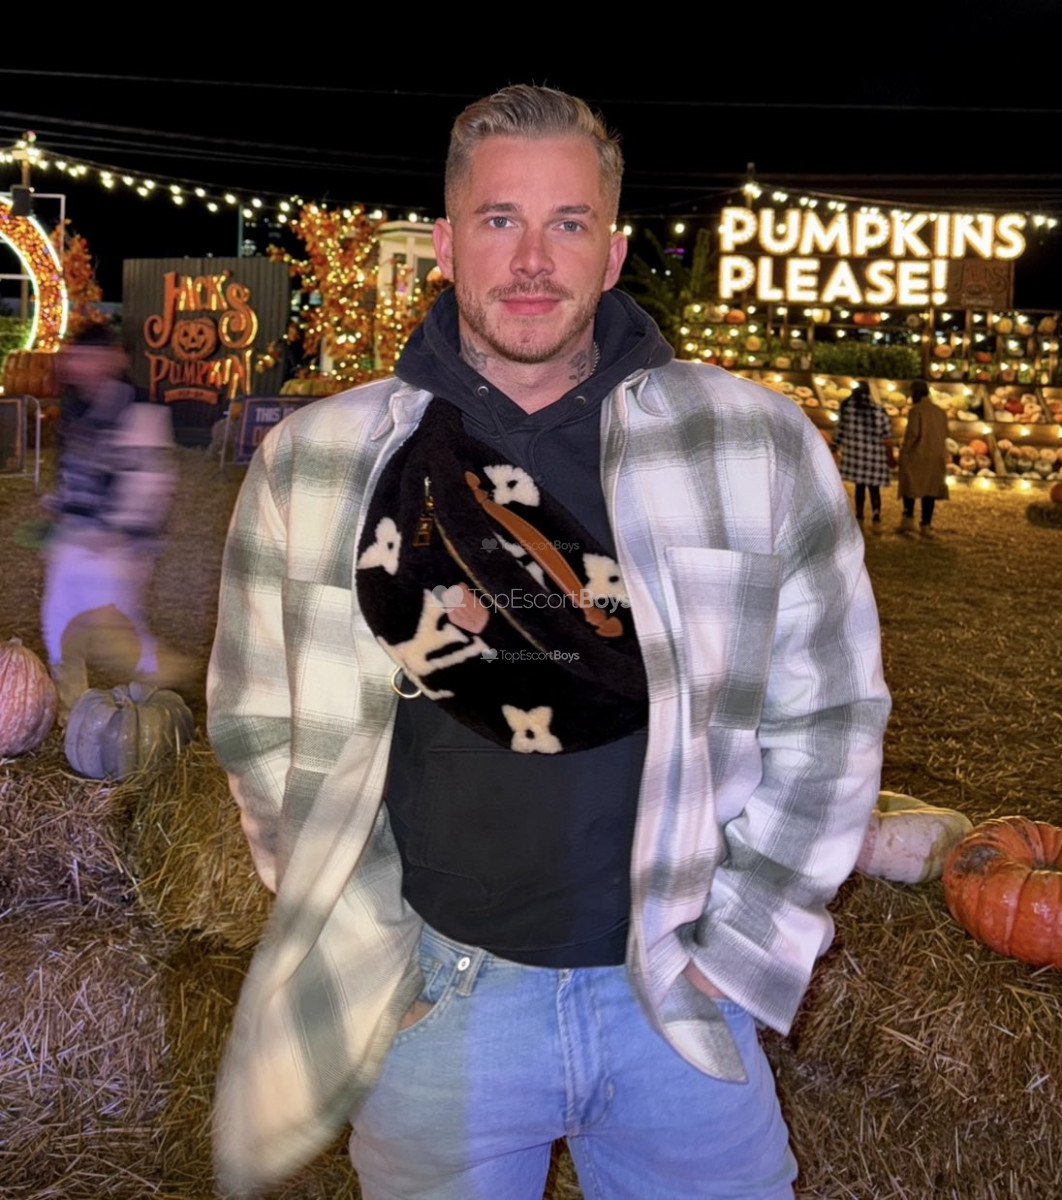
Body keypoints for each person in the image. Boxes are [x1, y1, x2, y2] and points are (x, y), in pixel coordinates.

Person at [207, 85, 890, 1200]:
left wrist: (741, 948)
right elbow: (258, 725)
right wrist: (370, 947)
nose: (533, 260)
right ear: (445, 245)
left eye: (568, 223)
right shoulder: (316, 462)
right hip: (438, 1000)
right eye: (499, 220)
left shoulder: (754, 445)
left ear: (612, 254)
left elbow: (830, 715)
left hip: (676, 1003)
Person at [40, 325, 177, 714]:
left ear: (112, 359)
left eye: (86, 357)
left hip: (117, 548)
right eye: (74, 358)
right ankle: (73, 708)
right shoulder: (76, 410)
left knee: (119, 628)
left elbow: (150, 480)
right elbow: (73, 471)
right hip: (76, 538)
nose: (76, 366)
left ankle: (160, 692)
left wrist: (120, 530)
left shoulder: (138, 409)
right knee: (59, 621)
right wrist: (60, 506)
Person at [831, 380, 894, 535]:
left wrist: (835, 447)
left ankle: (859, 517)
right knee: (874, 489)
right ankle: (876, 518)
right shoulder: (878, 411)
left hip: (856, 458)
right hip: (875, 458)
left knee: (859, 488)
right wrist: (890, 456)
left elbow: (839, 432)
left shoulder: (848, 410)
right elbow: (887, 436)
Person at [896, 378, 949, 538]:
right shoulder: (940, 412)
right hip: (936, 456)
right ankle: (926, 524)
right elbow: (946, 433)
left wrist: (904, 451)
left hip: (918, 455)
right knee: (929, 492)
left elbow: (912, 434)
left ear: (916, 393)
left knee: (910, 487)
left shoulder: (916, 411)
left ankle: (908, 520)